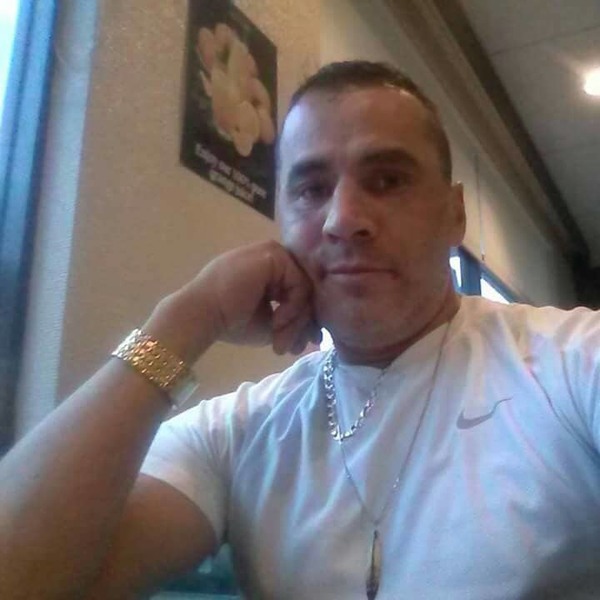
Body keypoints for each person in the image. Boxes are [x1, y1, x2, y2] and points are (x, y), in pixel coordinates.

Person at [1, 60, 600, 600]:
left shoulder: (569, 362)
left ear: (455, 214)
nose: (343, 219)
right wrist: (188, 317)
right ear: (282, 220)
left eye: (387, 180)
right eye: (312, 189)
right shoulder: (238, 432)